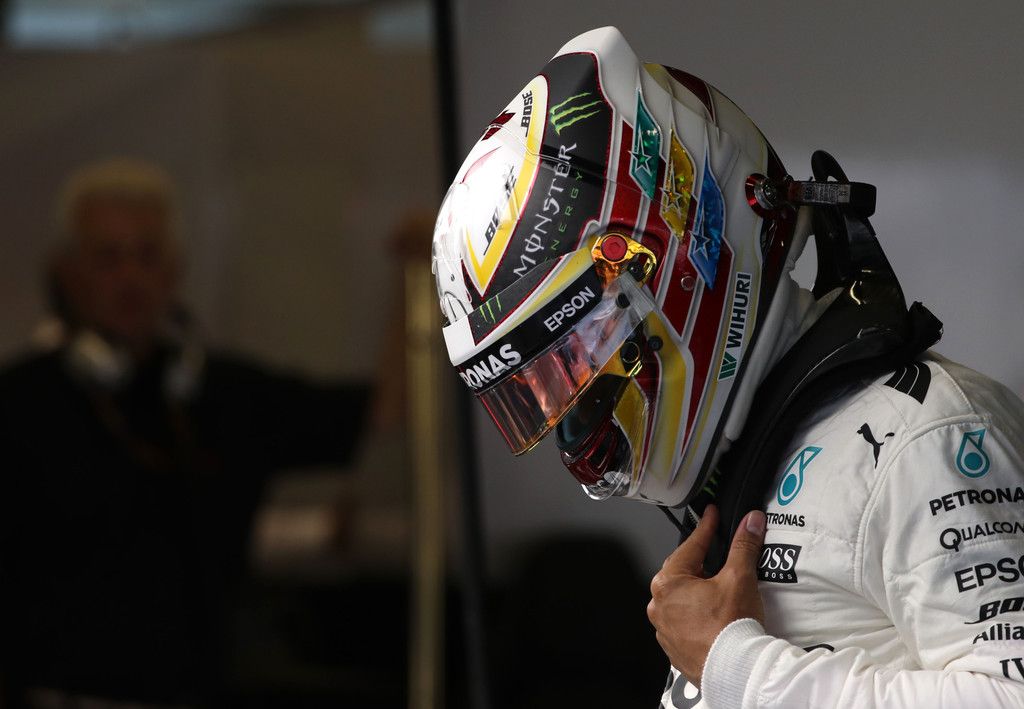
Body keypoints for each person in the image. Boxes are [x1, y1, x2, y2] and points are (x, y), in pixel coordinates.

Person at [429, 26, 1024, 708]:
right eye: (535, 389)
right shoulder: (760, 454)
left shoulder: (925, 437)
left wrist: (739, 666)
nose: (568, 409)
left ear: (679, 261)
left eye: (572, 358)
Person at [0, 158, 374, 707]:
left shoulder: (219, 392)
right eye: (108, 258)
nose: (130, 277)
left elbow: (379, 413)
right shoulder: (18, 405)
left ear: (174, 270)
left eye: (147, 256)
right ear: (67, 272)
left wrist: (429, 277)